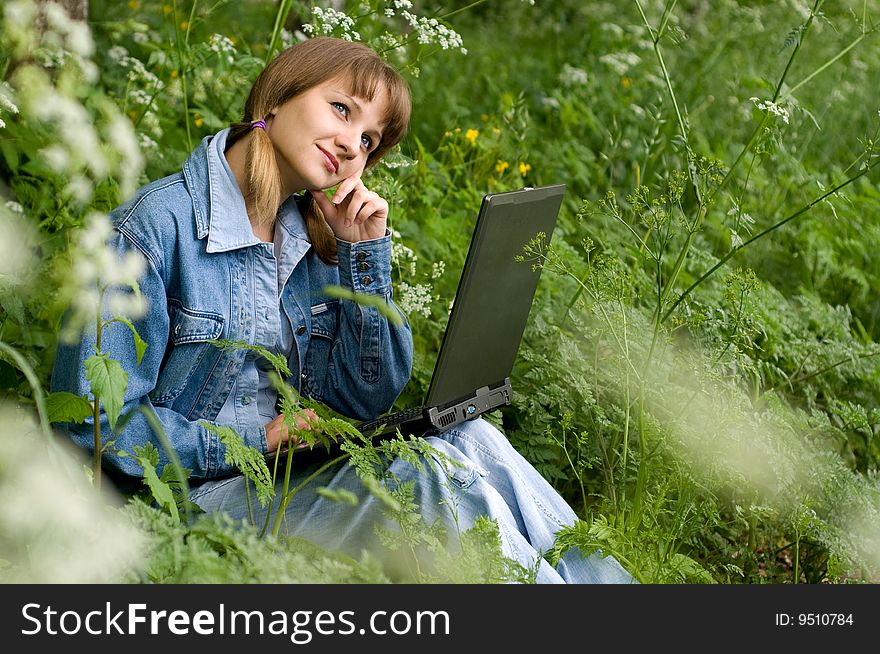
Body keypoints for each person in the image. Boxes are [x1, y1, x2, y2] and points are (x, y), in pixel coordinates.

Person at [51, 36, 634, 584]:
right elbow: (93, 424)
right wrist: (260, 439)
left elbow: (363, 400)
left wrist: (362, 255)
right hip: (190, 499)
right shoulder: (154, 229)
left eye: (370, 140)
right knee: (424, 481)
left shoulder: (310, 236)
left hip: (285, 480)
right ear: (276, 96)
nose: (354, 143)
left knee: (472, 437)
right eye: (341, 109)